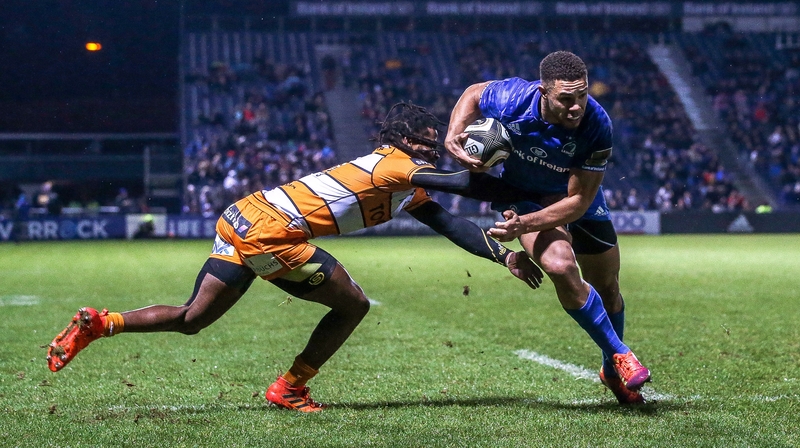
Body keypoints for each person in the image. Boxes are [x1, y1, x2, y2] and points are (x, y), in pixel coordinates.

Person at [46, 103, 543, 412]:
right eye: (423, 144)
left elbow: (451, 222)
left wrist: (504, 257)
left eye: (433, 146)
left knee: (193, 318)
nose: (429, 152)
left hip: (243, 215)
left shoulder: (406, 184)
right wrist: (517, 177)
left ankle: (99, 323)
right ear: (399, 142)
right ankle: (290, 388)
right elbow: (462, 185)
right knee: (353, 305)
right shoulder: (396, 166)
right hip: (272, 233)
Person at [444, 51, 651, 405]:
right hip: (522, 194)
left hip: (572, 195)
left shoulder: (597, 124)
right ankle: (620, 354)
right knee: (559, 265)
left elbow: (580, 201)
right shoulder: (513, 99)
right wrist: (452, 134)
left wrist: (525, 225)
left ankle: (610, 372)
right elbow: (474, 93)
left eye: (582, 96)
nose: (576, 107)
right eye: (565, 99)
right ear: (543, 92)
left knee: (608, 286)